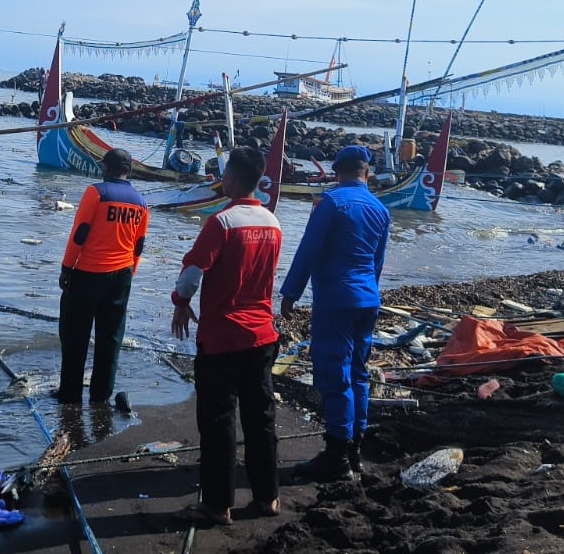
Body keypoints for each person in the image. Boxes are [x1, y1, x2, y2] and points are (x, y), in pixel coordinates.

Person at [170, 145, 282, 527]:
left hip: (223, 336)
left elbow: (191, 273)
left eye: (225, 172)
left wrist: (180, 302)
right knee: (260, 418)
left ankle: (218, 505)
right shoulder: (273, 222)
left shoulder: (221, 222)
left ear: (232, 176)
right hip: (262, 335)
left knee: (218, 421)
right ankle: (268, 497)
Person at [277, 143, 392, 482]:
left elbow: (308, 250)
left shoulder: (330, 202)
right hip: (367, 298)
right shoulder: (380, 209)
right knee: (358, 372)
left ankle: (337, 456)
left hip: (336, 298)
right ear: (367, 173)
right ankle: (355, 450)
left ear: (337, 172)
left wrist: (291, 292)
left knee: (334, 373)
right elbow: (377, 262)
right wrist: (369, 292)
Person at [56, 147, 149, 407]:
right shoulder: (141, 202)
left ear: (106, 168)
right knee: (111, 338)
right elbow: (139, 245)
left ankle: (70, 396)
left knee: (75, 336)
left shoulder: (96, 193)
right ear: (128, 171)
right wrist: (131, 272)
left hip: (88, 273)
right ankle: (101, 396)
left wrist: (66, 268)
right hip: (122, 275)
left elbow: (80, 234)